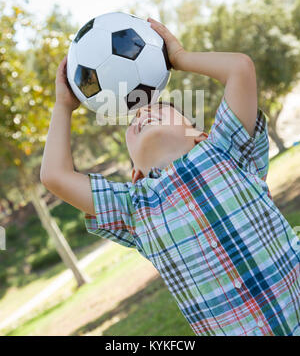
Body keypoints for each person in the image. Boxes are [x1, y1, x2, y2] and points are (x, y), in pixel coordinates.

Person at [40, 17, 300, 336]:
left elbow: (240, 69)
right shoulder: (135, 208)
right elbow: (55, 175)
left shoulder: (226, 149)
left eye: (159, 108)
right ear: (135, 174)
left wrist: (178, 56)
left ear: (199, 135)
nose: (144, 111)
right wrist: (63, 105)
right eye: (133, 122)